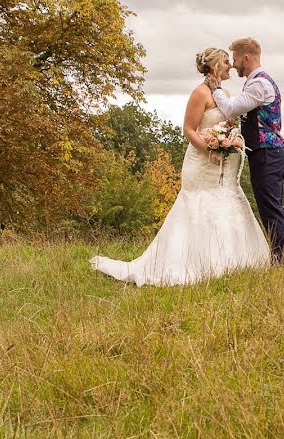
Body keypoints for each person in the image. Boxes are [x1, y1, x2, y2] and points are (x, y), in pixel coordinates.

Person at [89, 47, 271, 286]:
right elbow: (188, 130)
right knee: (199, 207)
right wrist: (210, 150)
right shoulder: (199, 93)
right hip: (202, 163)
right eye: (226, 62)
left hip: (223, 167)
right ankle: (192, 263)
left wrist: (231, 141)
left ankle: (232, 263)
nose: (231, 66)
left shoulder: (223, 92)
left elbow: (229, 124)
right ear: (216, 64)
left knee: (227, 201)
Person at [206, 37, 284, 264]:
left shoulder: (259, 84)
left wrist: (216, 90)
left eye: (234, 59)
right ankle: (282, 257)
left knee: (271, 208)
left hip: (268, 153)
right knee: (269, 206)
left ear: (246, 57)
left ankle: (282, 259)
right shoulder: (256, 83)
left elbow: (231, 109)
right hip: (265, 152)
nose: (233, 65)